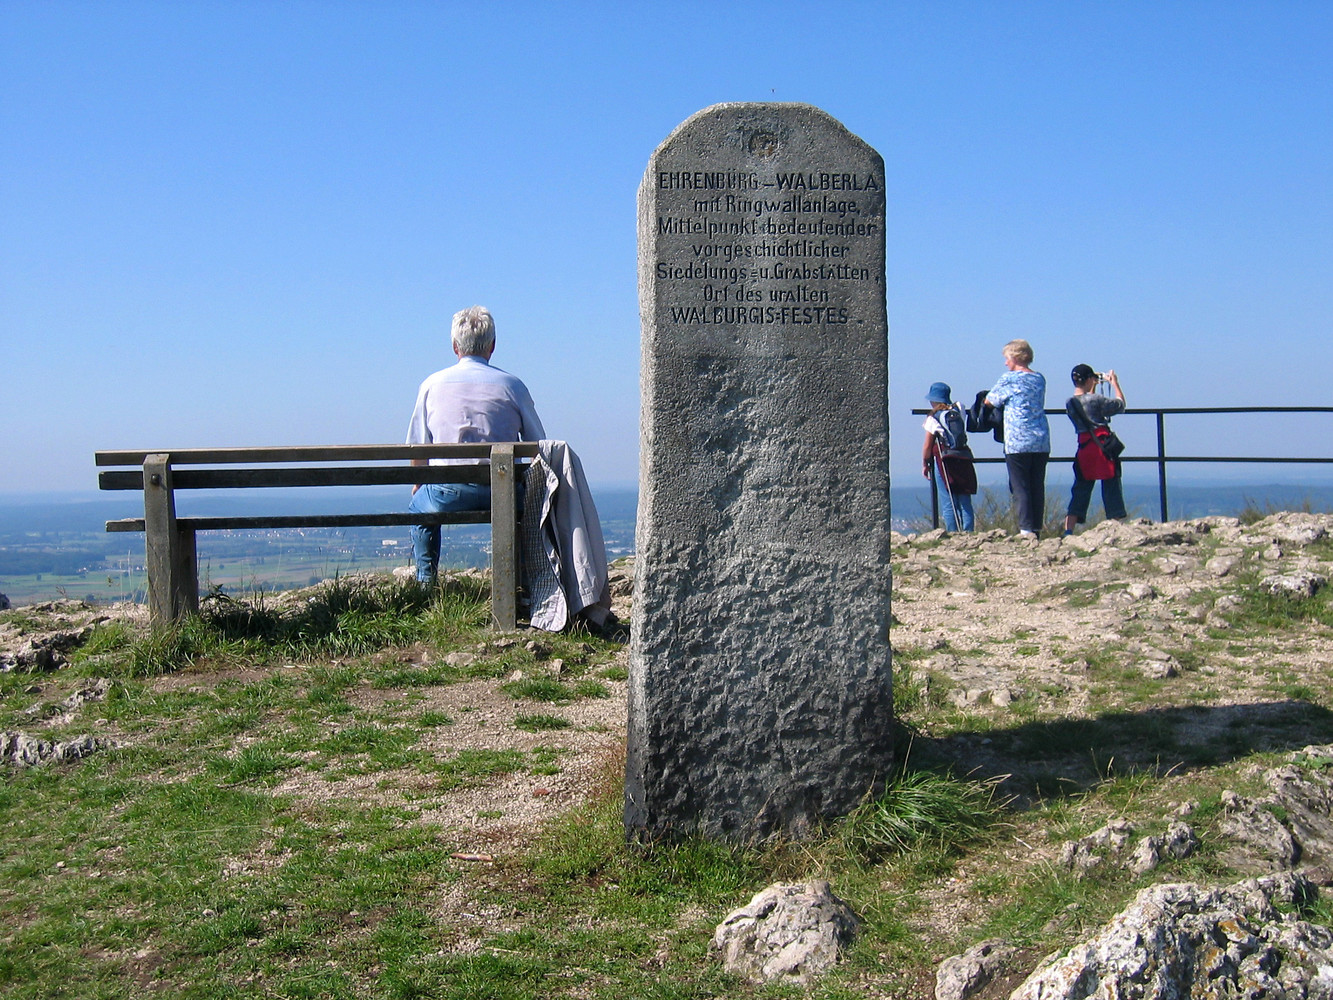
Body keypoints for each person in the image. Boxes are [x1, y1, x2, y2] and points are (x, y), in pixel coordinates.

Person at [406, 305, 545, 583]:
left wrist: (419, 484)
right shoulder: (512, 385)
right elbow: (537, 447)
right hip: (504, 491)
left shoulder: (431, 385)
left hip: (448, 493)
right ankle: (521, 585)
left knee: (419, 506)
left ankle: (425, 584)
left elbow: (417, 448)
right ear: (492, 345)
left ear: (455, 346)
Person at [984, 339, 1050, 537]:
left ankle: (1025, 529)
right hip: (1040, 438)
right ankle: (1036, 527)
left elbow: (990, 400)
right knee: (1037, 485)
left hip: (1017, 440)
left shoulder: (1009, 379)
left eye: (1006, 358)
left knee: (1020, 486)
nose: (1005, 363)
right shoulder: (1039, 379)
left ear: (1014, 357)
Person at [1063, 364, 1126, 535]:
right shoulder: (1096, 400)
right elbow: (1120, 405)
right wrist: (1114, 383)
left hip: (1084, 447)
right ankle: (1116, 525)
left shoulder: (1070, 403)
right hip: (1103, 447)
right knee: (1111, 483)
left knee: (1081, 488)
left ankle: (1068, 529)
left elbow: (1086, 404)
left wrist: (1093, 386)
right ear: (1090, 379)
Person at [921, 382, 977, 532]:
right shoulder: (959, 410)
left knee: (948, 500)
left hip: (944, 459)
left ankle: (952, 533)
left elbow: (927, 446)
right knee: (964, 498)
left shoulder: (933, 418)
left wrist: (925, 464)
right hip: (963, 457)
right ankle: (969, 532)